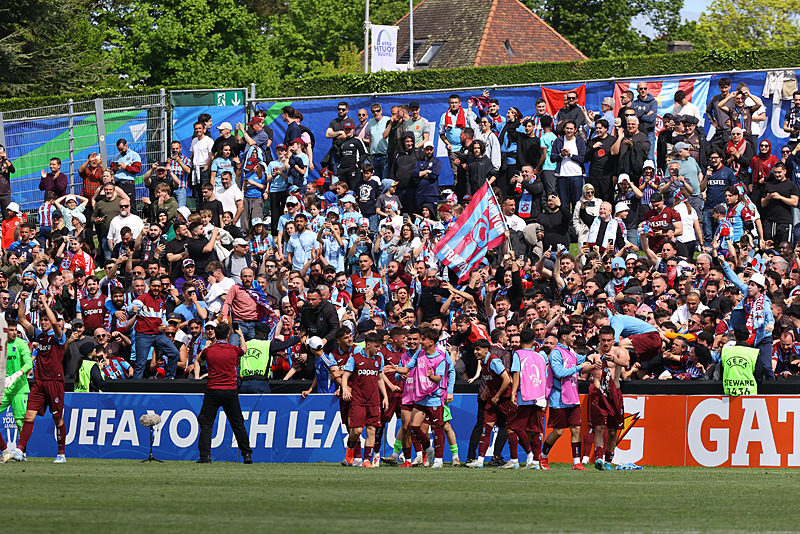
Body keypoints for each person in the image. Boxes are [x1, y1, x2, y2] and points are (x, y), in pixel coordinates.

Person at [10, 293, 68, 463]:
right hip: (39, 383)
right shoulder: (39, 336)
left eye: (45, 320)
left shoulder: (58, 336)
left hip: (55, 382)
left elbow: (56, 323)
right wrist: (22, 300)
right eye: (41, 320)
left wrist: (44, 302)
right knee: (28, 416)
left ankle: (61, 454)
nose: (43, 322)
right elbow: (22, 319)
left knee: (57, 419)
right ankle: (20, 450)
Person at [195, 321, 253, 464]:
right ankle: (247, 454)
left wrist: (207, 346)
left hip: (213, 390)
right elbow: (244, 350)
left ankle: (205, 456)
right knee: (237, 423)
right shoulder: (233, 349)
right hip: (230, 391)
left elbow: (199, 359)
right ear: (228, 335)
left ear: (215, 334)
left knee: (206, 423)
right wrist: (241, 336)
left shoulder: (209, 351)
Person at [539, 324, 593, 470]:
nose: (575, 338)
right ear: (564, 336)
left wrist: (597, 354)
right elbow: (559, 373)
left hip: (572, 396)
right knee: (558, 432)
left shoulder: (571, 351)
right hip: (558, 398)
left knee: (576, 429)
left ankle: (576, 463)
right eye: (573, 336)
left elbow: (583, 359)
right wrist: (579, 368)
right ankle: (543, 456)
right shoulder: (556, 353)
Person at [340, 332, 388, 468]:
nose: (378, 349)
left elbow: (380, 379)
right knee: (357, 431)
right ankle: (350, 448)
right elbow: (345, 376)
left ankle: (366, 460)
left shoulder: (379, 359)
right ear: (368, 345)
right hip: (358, 400)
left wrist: (385, 396)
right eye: (376, 346)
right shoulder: (355, 358)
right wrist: (345, 389)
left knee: (372, 430)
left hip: (374, 400)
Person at [586, 326, 629, 470]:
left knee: (612, 430)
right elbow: (584, 366)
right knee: (598, 427)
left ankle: (609, 461)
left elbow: (626, 363)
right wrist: (593, 366)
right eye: (603, 340)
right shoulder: (594, 353)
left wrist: (614, 360)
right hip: (598, 393)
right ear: (599, 339)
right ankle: (599, 458)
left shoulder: (619, 352)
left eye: (609, 340)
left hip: (614, 393)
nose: (606, 343)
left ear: (613, 340)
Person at [129, 277, 180, 379]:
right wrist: (132, 309)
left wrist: (165, 325)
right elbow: (130, 308)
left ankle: (169, 379)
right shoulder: (143, 298)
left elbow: (163, 317)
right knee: (140, 364)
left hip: (158, 335)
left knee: (174, 353)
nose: (156, 288)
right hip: (143, 335)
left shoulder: (161, 301)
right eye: (154, 286)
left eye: (158, 286)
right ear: (149, 287)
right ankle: (135, 386)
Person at [0, 318, 32, 462]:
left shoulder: (21, 344)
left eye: (15, 330)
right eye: (11, 330)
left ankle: (21, 452)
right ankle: (4, 450)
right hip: (4, 389)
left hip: (19, 388)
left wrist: (15, 375)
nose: (14, 333)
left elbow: (28, 363)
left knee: (20, 422)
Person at [550, 120, 586, 213]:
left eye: (571, 129)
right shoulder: (558, 141)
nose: (569, 130)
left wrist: (570, 155)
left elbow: (583, 158)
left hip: (576, 175)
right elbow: (552, 158)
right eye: (567, 128)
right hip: (562, 176)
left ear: (575, 130)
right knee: (563, 203)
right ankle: (565, 221)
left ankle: (576, 220)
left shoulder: (580, 142)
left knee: (577, 203)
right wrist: (561, 155)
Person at [761, 163, 798, 245]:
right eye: (775, 172)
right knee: (769, 246)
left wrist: (780, 197)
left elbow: (794, 202)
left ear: (784, 171)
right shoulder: (769, 185)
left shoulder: (791, 185)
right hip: (770, 221)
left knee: (785, 246)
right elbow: (763, 204)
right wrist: (768, 198)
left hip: (785, 221)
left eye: (779, 172)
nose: (777, 175)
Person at [721, 326, 760, 396]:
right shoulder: (754, 353)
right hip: (750, 394)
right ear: (748, 338)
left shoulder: (725, 351)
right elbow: (759, 375)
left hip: (729, 393)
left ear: (735, 337)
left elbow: (722, 371)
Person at [632, 82, 657, 161]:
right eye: (641, 89)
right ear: (637, 90)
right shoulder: (634, 103)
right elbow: (632, 118)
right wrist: (645, 114)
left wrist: (639, 116)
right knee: (637, 155)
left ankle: (653, 170)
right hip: (637, 132)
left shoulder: (653, 102)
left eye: (645, 88)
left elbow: (651, 118)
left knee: (650, 157)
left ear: (647, 89)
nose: (643, 90)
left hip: (649, 132)